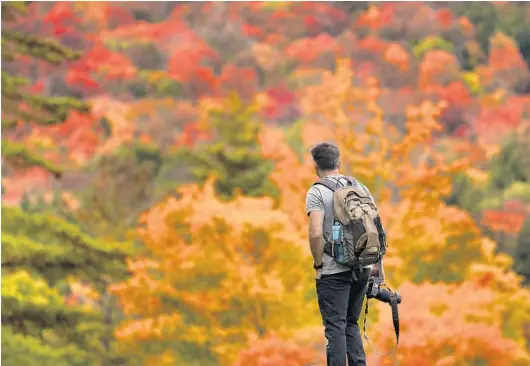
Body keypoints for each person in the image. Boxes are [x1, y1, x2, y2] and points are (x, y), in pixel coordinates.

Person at [305, 141, 385, 366]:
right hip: (363, 266)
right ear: (339, 162)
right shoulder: (360, 186)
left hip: (333, 269)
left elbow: (315, 232)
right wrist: (376, 269)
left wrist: (319, 265)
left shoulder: (317, 191)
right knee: (351, 323)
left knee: (335, 326)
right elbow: (376, 228)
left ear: (315, 166)